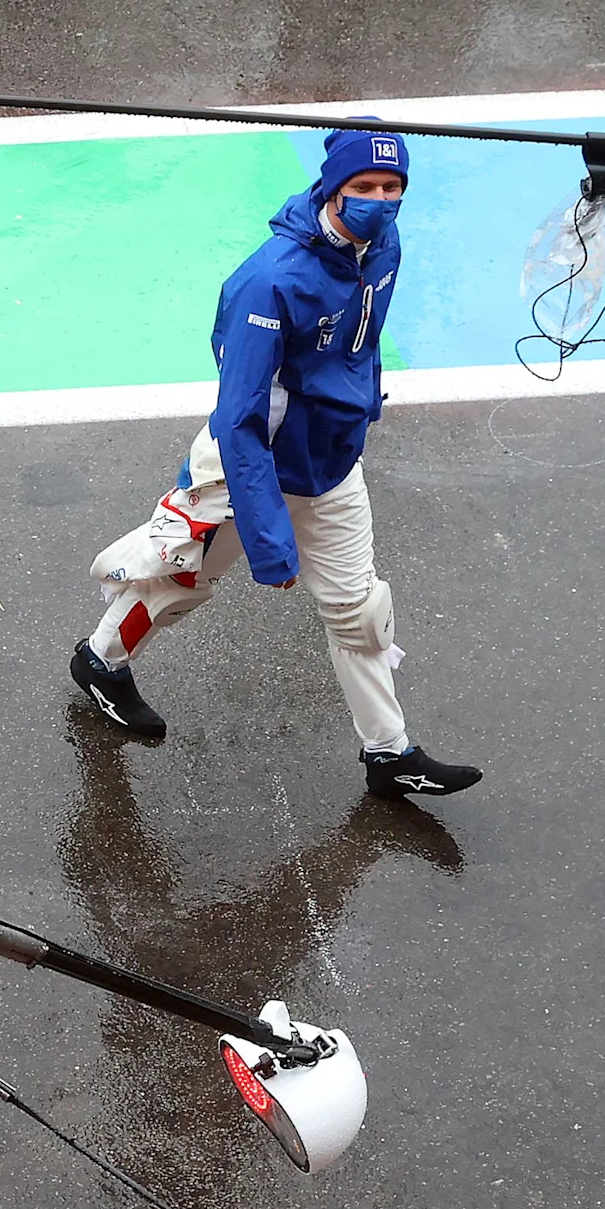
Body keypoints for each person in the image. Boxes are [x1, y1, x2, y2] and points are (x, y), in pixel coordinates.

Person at [69, 126, 481, 797]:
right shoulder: (268, 282)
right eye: (363, 187)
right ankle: (100, 663)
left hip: (332, 465)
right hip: (245, 472)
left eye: (391, 186)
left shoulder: (384, 244)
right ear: (332, 188)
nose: (380, 199)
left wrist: (357, 408)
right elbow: (239, 420)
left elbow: (360, 338)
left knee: (360, 610)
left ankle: (389, 753)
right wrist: (269, 544)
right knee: (176, 587)